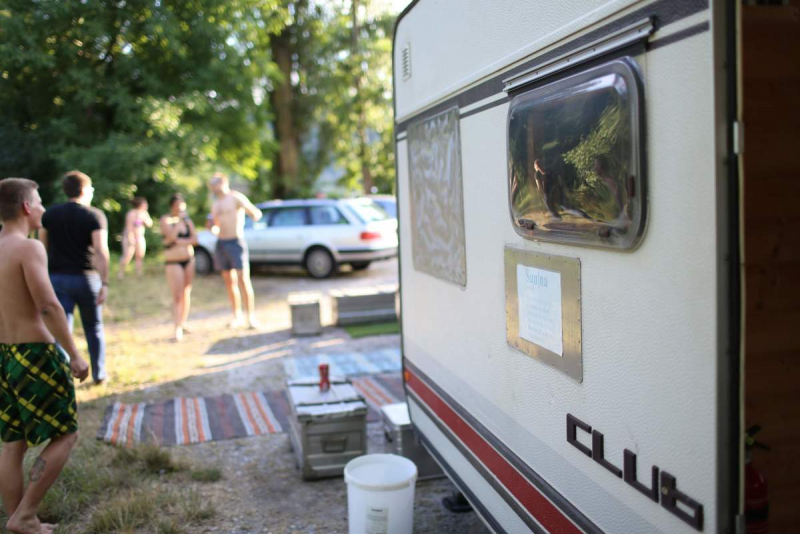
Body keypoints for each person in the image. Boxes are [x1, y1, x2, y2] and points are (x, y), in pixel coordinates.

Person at [0, 177, 89, 534]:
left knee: (12, 444)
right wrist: (75, 354)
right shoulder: (28, 247)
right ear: (25, 207)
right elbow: (48, 305)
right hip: (36, 354)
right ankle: (25, 515)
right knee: (65, 435)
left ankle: (19, 519)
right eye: (37, 201)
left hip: (5, 356)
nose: (42, 208)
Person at [38, 171, 110, 385]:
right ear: (85, 190)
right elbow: (101, 251)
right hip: (87, 279)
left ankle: (64, 375)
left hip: (57, 279)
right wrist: (105, 282)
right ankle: (99, 374)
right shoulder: (94, 215)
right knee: (94, 327)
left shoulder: (49, 215)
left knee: (62, 330)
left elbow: (42, 248)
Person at [207, 173, 262, 329]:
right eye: (211, 184)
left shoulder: (235, 197)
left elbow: (255, 213)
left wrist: (253, 215)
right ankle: (236, 316)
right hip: (222, 243)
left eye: (215, 183)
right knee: (229, 282)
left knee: (243, 280)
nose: (213, 186)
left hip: (236, 241)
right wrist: (212, 228)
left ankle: (251, 317)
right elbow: (214, 225)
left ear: (223, 182)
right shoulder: (215, 204)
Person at [160, 194, 197, 342]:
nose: (180, 208)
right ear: (172, 206)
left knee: (186, 292)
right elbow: (169, 238)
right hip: (173, 261)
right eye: (177, 205)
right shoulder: (166, 220)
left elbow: (195, 239)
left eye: (182, 204)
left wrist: (181, 241)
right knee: (177, 295)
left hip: (188, 259)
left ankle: (183, 322)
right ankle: (177, 328)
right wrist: (178, 225)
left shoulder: (188, 221)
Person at [118, 197, 153, 279]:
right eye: (145, 203)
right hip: (130, 237)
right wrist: (131, 237)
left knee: (140, 256)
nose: (146, 205)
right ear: (140, 204)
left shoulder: (144, 213)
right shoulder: (131, 213)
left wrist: (144, 220)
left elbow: (150, 224)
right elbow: (129, 227)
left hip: (140, 237)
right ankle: (120, 274)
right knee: (127, 256)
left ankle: (139, 274)